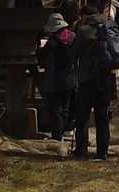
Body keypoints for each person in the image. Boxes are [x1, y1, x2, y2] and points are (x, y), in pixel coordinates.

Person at [71, 0, 119, 159]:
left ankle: (81, 150)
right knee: (102, 116)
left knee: (82, 116)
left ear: (85, 16)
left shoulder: (83, 31)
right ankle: (102, 152)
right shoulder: (110, 26)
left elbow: (74, 54)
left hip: (87, 78)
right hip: (106, 78)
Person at [38, 11, 75, 141]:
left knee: (55, 109)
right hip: (70, 78)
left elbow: (42, 57)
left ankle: (57, 136)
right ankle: (64, 130)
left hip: (54, 79)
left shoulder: (52, 42)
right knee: (65, 108)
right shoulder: (73, 37)